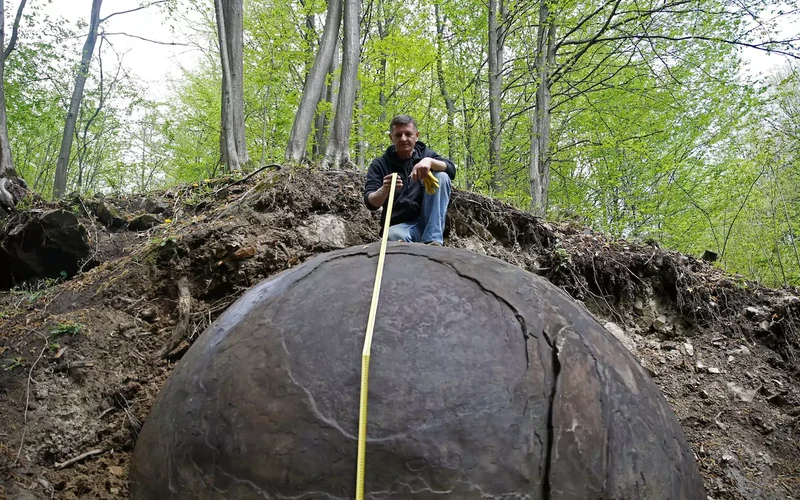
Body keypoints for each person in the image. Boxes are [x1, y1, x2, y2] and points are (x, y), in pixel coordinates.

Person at [363, 115, 456, 245]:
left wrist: (429, 162)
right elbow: (371, 202)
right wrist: (384, 190)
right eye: (398, 135)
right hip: (400, 228)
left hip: (429, 223)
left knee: (442, 176)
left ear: (416, 135)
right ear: (391, 137)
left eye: (408, 134)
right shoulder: (380, 164)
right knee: (392, 235)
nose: (403, 138)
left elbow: (451, 170)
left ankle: (433, 241)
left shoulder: (426, 154)